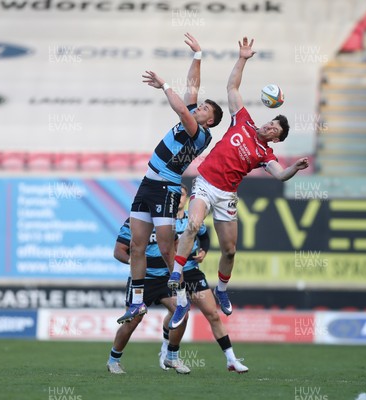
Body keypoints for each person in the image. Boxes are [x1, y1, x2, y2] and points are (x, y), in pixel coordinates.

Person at [167, 37, 309, 326]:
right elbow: (232, 87)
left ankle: (221, 290)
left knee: (230, 250)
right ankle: (176, 272)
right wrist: (243, 57)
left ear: (276, 139)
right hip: (205, 183)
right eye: (271, 122)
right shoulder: (242, 120)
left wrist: (294, 166)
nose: (269, 126)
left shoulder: (265, 155)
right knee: (193, 224)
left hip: (227, 196)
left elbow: (280, 176)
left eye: (275, 130)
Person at [117, 33, 223, 324]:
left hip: (166, 188)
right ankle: (137, 302)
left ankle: (182, 299)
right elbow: (192, 88)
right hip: (148, 184)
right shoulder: (194, 117)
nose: (198, 107)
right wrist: (198, 55)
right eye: (200, 106)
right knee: (138, 245)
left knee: (165, 247)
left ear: (210, 121)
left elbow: (179, 105)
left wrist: (163, 84)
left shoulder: (198, 133)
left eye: (204, 109)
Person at [163, 185, 249, 374]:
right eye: (175, 195)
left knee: (213, 314)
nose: (178, 198)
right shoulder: (163, 220)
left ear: (186, 199)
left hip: (192, 271)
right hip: (169, 273)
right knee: (177, 313)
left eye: (182, 195)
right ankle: (167, 351)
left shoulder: (192, 219)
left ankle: (231, 360)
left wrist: (203, 251)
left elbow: (205, 237)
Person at [106, 218, 188, 374]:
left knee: (182, 313)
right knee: (132, 321)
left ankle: (172, 356)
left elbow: (175, 244)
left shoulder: (165, 220)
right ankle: (113, 361)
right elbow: (118, 251)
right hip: (141, 281)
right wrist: (135, 262)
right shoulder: (133, 222)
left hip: (165, 279)